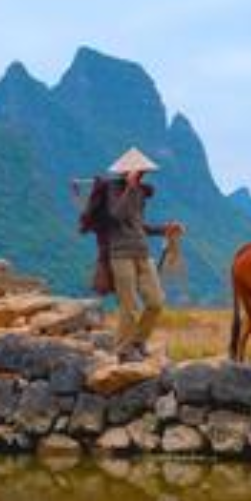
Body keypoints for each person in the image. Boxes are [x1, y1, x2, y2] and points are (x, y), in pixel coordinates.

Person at [79, 148, 184, 361]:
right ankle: (123, 350)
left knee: (156, 302)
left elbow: (137, 225)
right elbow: (117, 215)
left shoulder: (139, 193)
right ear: (127, 171)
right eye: (139, 171)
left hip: (142, 252)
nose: (142, 174)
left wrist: (164, 229)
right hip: (120, 255)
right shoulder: (112, 189)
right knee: (130, 306)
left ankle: (137, 342)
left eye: (143, 171)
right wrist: (129, 187)